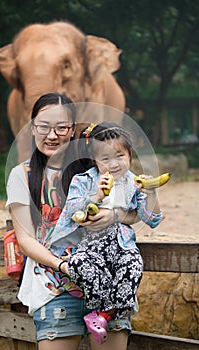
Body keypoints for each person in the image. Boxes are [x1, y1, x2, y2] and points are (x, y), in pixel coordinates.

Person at [6, 94, 138, 350]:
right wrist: (63, 265)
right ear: (32, 127)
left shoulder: (97, 167)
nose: (52, 135)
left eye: (61, 127)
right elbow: (25, 239)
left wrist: (113, 216)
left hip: (107, 283)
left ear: (73, 130)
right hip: (54, 286)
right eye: (43, 126)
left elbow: (133, 211)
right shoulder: (22, 175)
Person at [48, 122, 163, 345]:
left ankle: (105, 316)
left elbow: (151, 219)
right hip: (92, 246)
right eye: (105, 159)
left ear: (129, 155)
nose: (113, 164)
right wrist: (97, 196)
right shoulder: (83, 181)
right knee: (79, 264)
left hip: (121, 246)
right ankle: (100, 311)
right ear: (95, 161)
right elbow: (73, 210)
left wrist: (152, 193)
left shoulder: (134, 183)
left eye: (119, 155)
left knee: (133, 265)